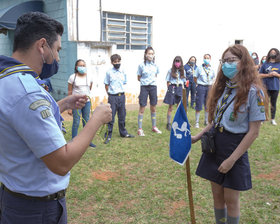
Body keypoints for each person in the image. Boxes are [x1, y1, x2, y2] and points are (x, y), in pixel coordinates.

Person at [0, 12, 112, 224]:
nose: (58, 58)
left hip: (14, 196)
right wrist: (97, 118)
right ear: (42, 46)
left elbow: (19, 123)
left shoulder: (6, 79)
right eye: (58, 50)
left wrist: (61, 104)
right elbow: (62, 161)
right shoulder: (28, 92)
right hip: (35, 209)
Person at [192, 44, 267, 224]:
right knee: (217, 196)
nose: (226, 65)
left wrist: (232, 160)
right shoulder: (225, 88)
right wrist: (197, 137)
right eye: (224, 61)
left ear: (244, 63)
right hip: (215, 146)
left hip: (234, 149)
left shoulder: (254, 93)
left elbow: (254, 132)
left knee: (231, 201)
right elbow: (215, 122)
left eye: (231, 60)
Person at [104, 54, 134, 144]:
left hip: (121, 96)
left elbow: (124, 82)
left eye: (118, 61)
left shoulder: (123, 71)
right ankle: (108, 134)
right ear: (112, 62)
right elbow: (106, 84)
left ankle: (123, 133)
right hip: (113, 96)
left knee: (122, 115)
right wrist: (109, 94)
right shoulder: (109, 72)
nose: (117, 63)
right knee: (111, 116)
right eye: (115, 62)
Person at [68, 59, 96, 147]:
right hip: (76, 103)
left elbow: (89, 88)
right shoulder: (72, 77)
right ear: (76, 67)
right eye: (80, 65)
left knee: (86, 121)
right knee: (76, 122)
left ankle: (87, 141)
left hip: (87, 103)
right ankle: (74, 141)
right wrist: (69, 107)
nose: (82, 67)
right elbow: (69, 91)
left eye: (84, 65)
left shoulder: (89, 77)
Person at [137, 46, 162, 136]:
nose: (150, 55)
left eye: (152, 54)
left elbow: (155, 75)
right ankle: (140, 129)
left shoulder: (156, 65)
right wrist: (145, 82)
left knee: (153, 107)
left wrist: (151, 82)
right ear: (145, 54)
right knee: (142, 107)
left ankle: (154, 127)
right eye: (149, 53)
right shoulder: (141, 65)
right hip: (144, 87)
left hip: (153, 87)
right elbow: (138, 77)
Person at [163, 56, 186, 131]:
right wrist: (169, 89)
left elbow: (184, 81)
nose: (177, 63)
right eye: (176, 61)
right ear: (174, 62)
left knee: (179, 106)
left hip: (179, 88)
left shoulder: (183, 71)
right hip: (172, 88)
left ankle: (179, 121)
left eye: (179, 61)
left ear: (181, 62)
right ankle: (169, 123)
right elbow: (167, 81)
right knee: (170, 107)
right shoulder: (170, 71)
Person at [259, 48, 280, 125]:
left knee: (273, 103)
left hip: (275, 87)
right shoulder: (265, 64)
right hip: (265, 87)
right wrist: (268, 75)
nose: (273, 53)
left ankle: (272, 119)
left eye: (274, 52)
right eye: (271, 52)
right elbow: (259, 74)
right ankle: (262, 118)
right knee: (264, 103)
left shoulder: (279, 64)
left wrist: (276, 74)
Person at [193, 54, 216, 128]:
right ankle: (197, 122)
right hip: (201, 87)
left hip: (209, 87)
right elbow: (195, 78)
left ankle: (206, 120)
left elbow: (213, 78)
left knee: (208, 104)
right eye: (205, 58)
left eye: (208, 58)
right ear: (203, 59)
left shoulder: (212, 69)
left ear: (210, 59)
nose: (206, 59)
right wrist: (198, 84)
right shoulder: (199, 68)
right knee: (199, 104)